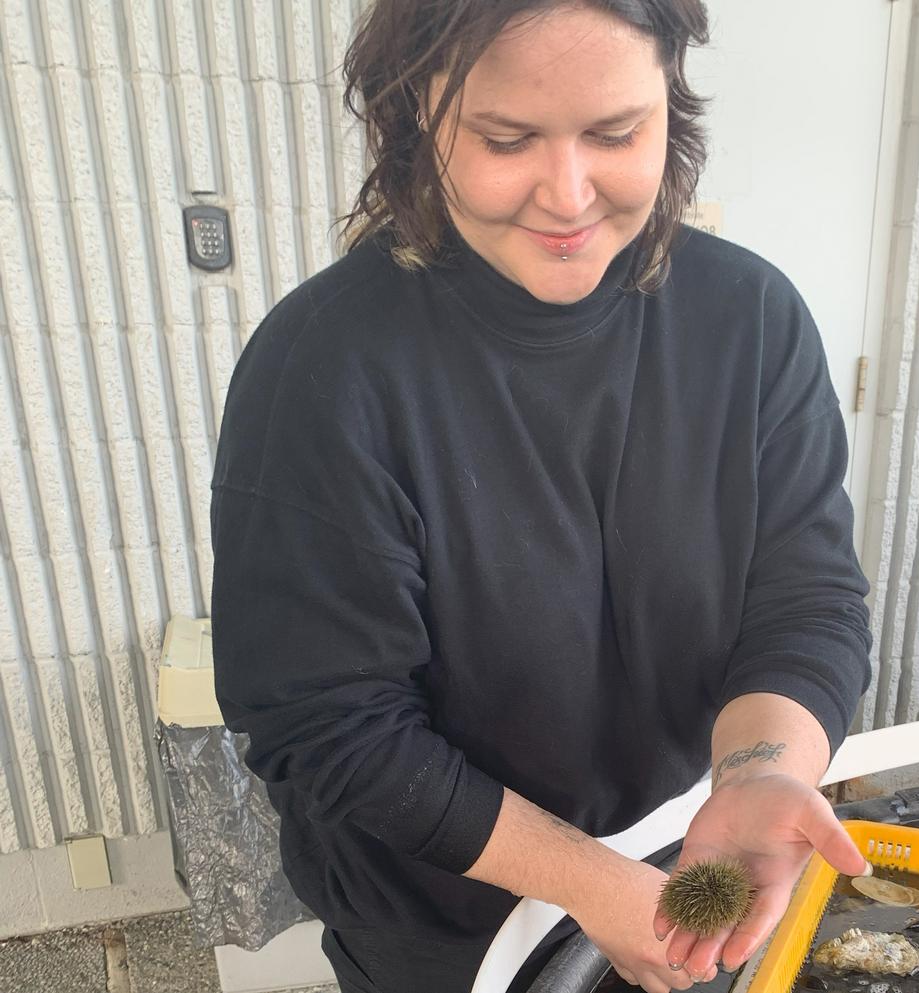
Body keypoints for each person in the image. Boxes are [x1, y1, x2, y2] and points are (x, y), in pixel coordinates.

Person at [210, 2, 872, 991]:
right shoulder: (325, 368)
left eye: (616, 133)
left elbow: (805, 598)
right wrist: (586, 882)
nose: (568, 195)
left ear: (671, 103)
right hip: (442, 923)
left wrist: (761, 772)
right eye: (506, 139)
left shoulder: (752, 322)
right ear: (416, 110)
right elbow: (331, 722)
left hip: (685, 858)